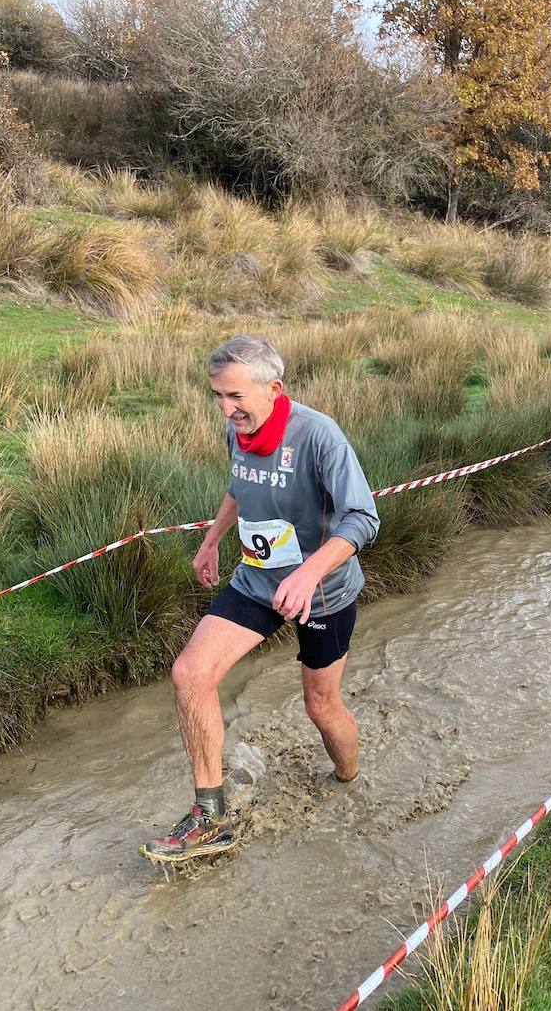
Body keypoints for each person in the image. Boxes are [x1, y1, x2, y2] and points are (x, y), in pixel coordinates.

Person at [139, 335, 381, 864]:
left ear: (274, 388)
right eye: (218, 398)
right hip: (257, 579)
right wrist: (211, 540)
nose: (226, 410)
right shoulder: (237, 430)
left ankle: (349, 779)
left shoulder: (320, 437)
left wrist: (308, 574)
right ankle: (210, 818)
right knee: (190, 674)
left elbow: (363, 518)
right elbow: (239, 487)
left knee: (321, 705)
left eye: (235, 398)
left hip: (322, 591)